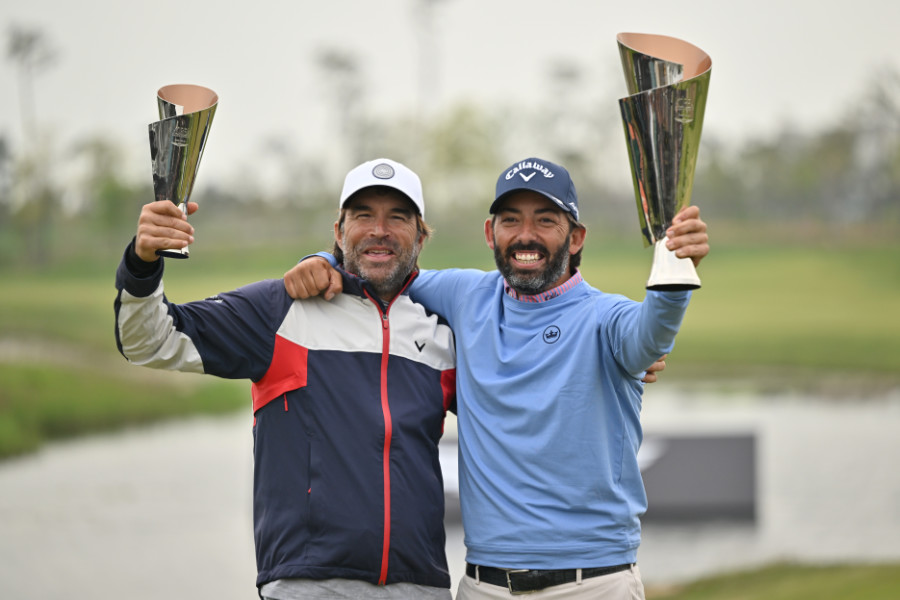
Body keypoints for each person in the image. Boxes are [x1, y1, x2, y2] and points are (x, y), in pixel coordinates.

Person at [283, 157, 710, 599]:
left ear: (576, 237)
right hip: (484, 585)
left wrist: (674, 272)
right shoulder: (466, 294)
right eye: (511, 220)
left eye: (545, 220)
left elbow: (649, 337)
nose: (526, 235)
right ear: (491, 233)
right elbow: (379, 268)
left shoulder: (606, 318)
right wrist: (320, 259)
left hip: (594, 583)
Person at [114, 158, 458, 600]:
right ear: (338, 231)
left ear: (421, 236)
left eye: (398, 217)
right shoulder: (280, 309)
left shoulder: (441, 329)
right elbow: (148, 339)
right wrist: (143, 262)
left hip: (421, 585)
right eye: (363, 215)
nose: (380, 230)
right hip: (309, 584)